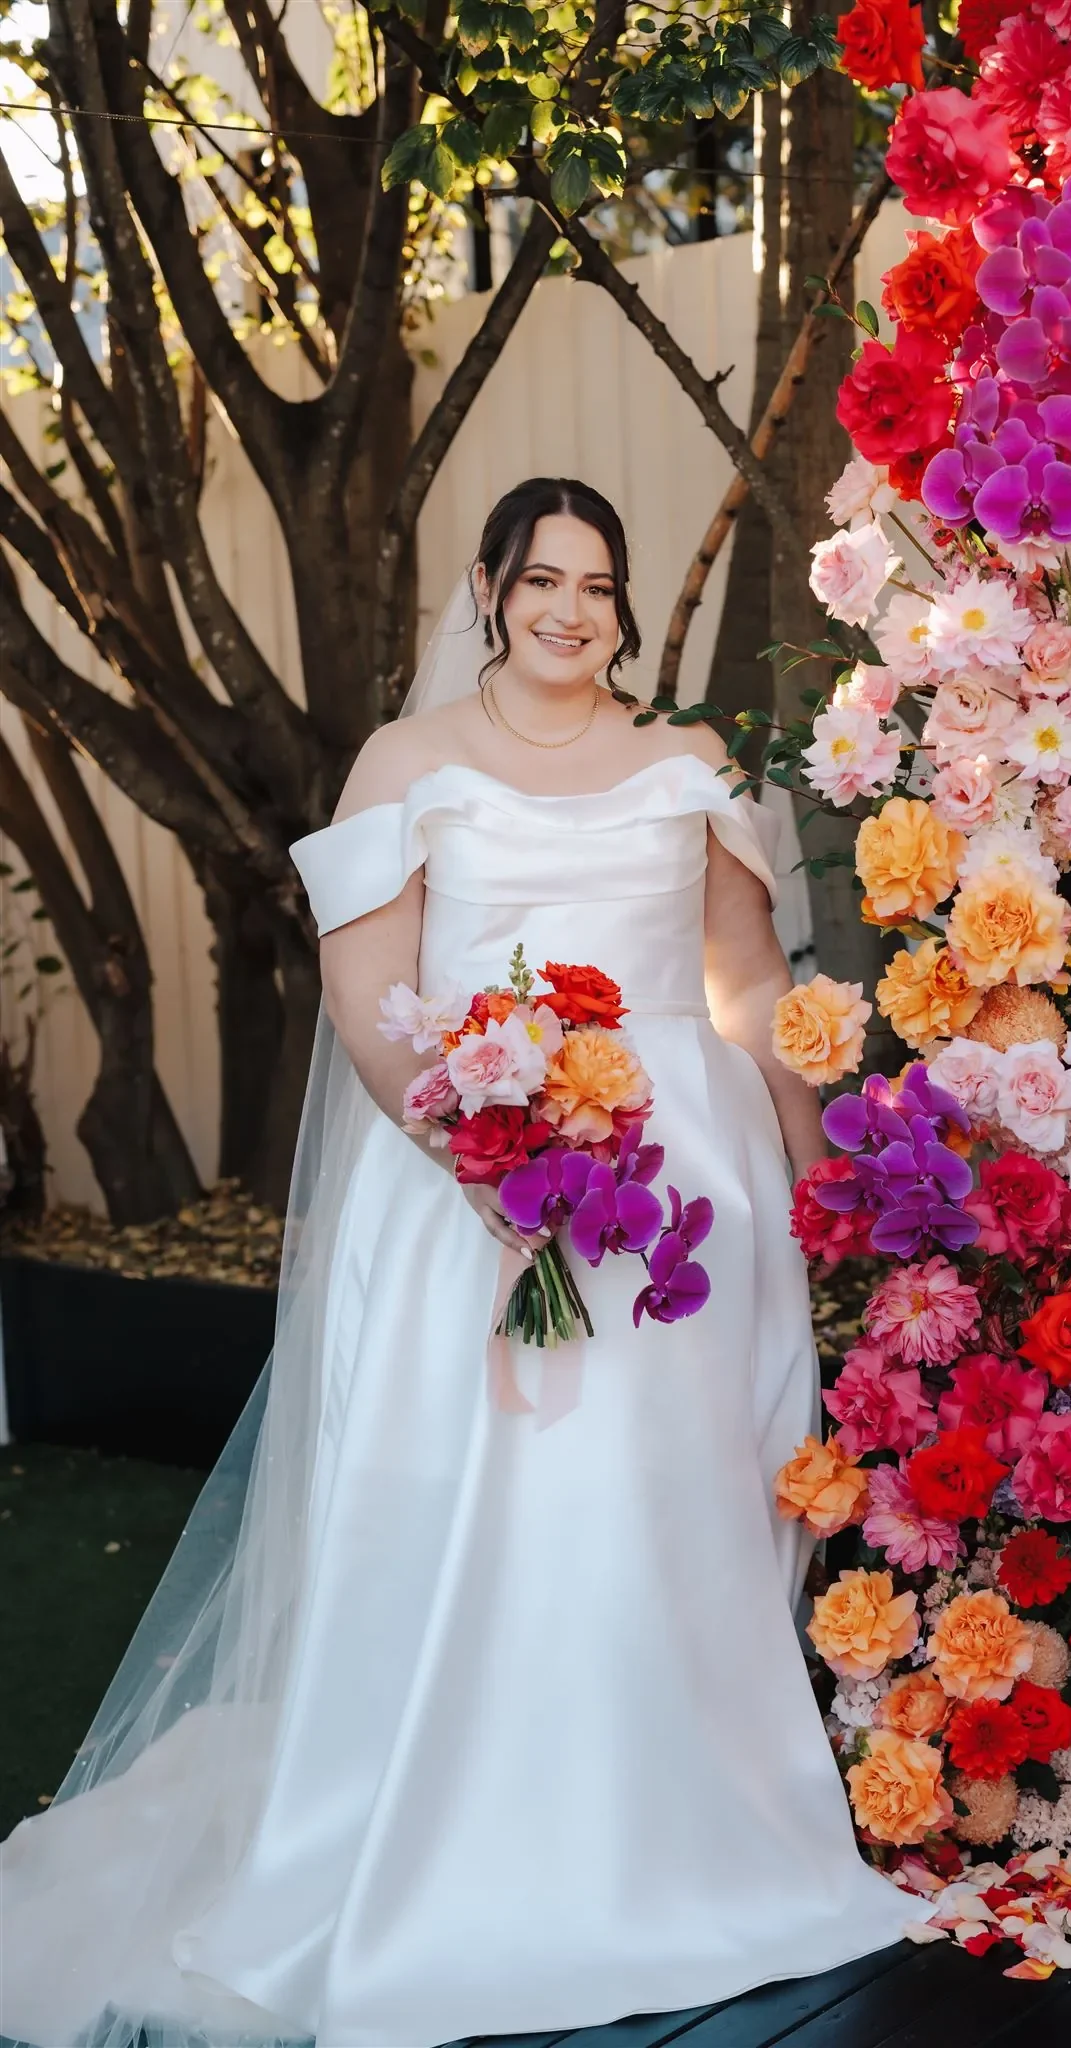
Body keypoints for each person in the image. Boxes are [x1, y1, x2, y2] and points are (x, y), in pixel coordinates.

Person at [0, 477, 927, 2048]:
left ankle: (680, 1824)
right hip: (471, 1178)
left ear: (624, 606)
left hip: (682, 1192)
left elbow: (747, 975)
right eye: (543, 578)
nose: (573, 608)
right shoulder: (406, 764)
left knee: (673, 1492)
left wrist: (823, 1173)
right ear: (488, 589)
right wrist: (484, 1157)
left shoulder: (687, 761)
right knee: (491, 1502)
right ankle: (457, 1830)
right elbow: (372, 999)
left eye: (600, 583)